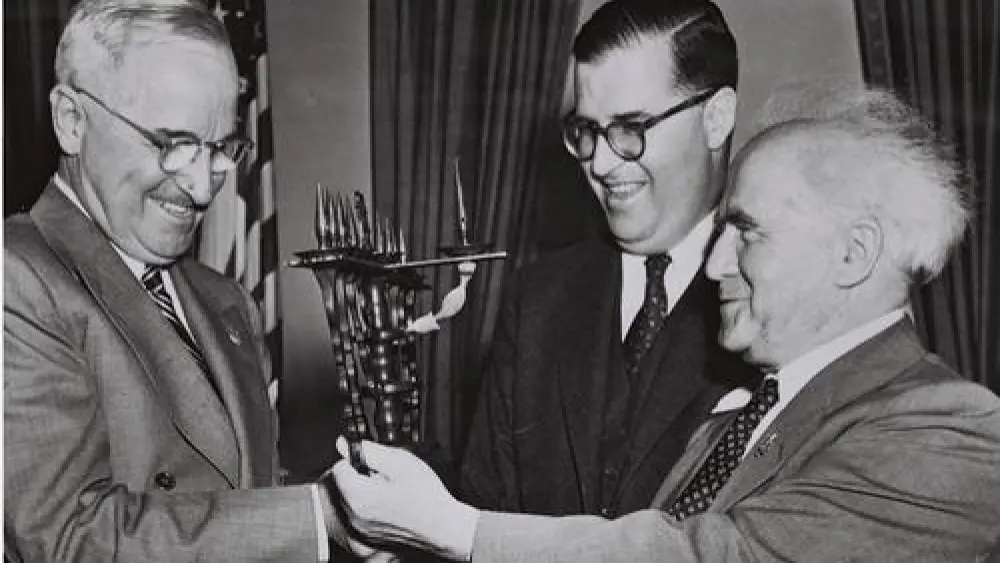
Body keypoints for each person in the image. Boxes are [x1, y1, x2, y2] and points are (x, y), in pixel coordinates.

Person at [332, 88, 1000, 562]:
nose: (714, 266)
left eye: (745, 233)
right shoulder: (739, 411)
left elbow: (717, 555)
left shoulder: (957, 429)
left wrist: (459, 531)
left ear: (854, 253)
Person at [3, 1, 376, 561]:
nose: (203, 188)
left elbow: (240, 496)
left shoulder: (225, 301)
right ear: (72, 121)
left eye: (221, 149)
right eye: (171, 144)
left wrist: (350, 502)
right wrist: (316, 519)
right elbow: (64, 539)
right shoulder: (17, 279)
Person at [460, 0, 756, 519]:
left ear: (716, 118)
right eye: (586, 131)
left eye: (630, 128)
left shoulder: (774, 299)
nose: (599, 162)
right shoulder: (537, 298)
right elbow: (480, 514)